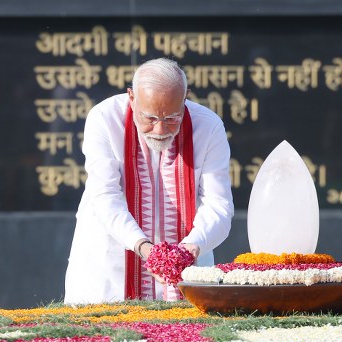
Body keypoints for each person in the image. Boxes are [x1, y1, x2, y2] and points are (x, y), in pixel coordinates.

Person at [64, 58, 234, 303]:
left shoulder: (208, 126)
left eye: (172, 118)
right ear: (132, 98)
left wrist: (190, 248)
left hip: (186, 270)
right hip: (110, 268)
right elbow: (104, 196)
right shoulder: (104, 118)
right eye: (151, 119)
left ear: (185, 98)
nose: (160, 130)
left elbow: (218, 204)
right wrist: (144, 247)